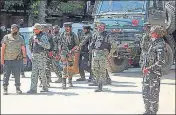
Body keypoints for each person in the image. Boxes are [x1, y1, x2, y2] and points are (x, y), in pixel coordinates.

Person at [142, 25, 165, 114]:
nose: (150, 33)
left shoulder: (160, 45)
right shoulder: (153, 42)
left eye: (152, 32)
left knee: (153, 94)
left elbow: (161, 62)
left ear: (157, 33)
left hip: (154, 74)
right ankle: (147, 110)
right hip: (147, 73)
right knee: (145, 92)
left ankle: (153, 111)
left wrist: (149, 68)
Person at [1, 24, 27, 95]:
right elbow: (3, 48)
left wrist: (24, 57)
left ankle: (18, 88)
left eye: (15, 28)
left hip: (17, 60)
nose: (13, 30)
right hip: (7, 60)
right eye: (12, 28)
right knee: (6, 75)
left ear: (18, 30)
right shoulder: (6, 37)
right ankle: (5, 89)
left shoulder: (20, 38)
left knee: (17, 75)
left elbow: (23, 48)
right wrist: (2, 59)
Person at [27, 23, 50, 93]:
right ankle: (33, 89)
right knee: (34, 73)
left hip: (41, 56)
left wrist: (39, 42)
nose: (34, 30)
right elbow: (30, 45)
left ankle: (45, 87)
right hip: (35, 56)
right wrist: (32, 54)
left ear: (39, 30)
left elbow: (48, 46)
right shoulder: (33, 36)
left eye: (36, 29)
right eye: (34, 29)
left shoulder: (43, 36)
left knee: (42, 73)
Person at [89, 22, 112, 92]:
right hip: (95, 54)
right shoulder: (95, 34)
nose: (100, 28)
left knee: (102, 70)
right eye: (99, 26)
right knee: (94, 69)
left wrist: (109, 55)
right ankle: (99, 80)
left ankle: (100, 86)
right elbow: (92, 43)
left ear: (104, 27)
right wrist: (91, 49)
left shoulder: (107, 36)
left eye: (101, 26)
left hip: (103, 54)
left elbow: (113, 46)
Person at [58, 22, 79, 89]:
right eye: (65, 27)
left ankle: (70, 81)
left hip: (71, 53)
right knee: (64, 67)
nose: (66, 28)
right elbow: (59, 44)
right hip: (64, 53)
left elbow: (77, 45)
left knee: (70, 67)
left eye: (68, 27)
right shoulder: (62, 34)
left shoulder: (73, 35)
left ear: (70, 28)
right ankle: (64, 83)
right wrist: (59, 52)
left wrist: (71, 51)